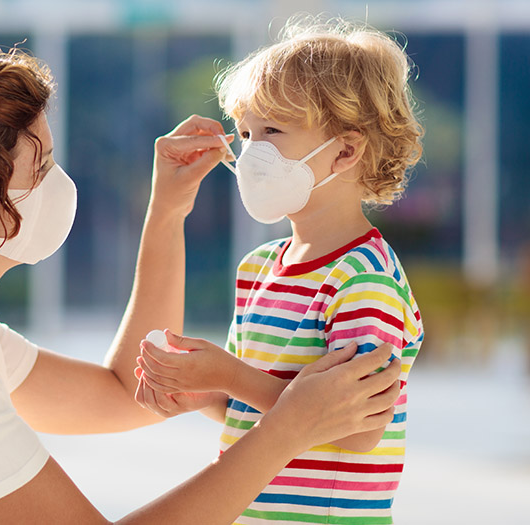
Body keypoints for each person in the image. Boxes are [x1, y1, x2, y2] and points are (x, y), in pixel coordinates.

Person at [0, 39, 402, 524]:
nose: (61, 184)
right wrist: (287, 427)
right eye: (42, 167)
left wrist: (167, 212)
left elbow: (122, 392)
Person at [133, 17, 425, 524]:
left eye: (272, 131)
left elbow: (358, 427)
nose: (251, 154)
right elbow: (262, 409)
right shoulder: (259, 268)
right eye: (245, 134)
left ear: (347, 150)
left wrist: (226, 372)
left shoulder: (364, 280)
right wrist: (202, 396)